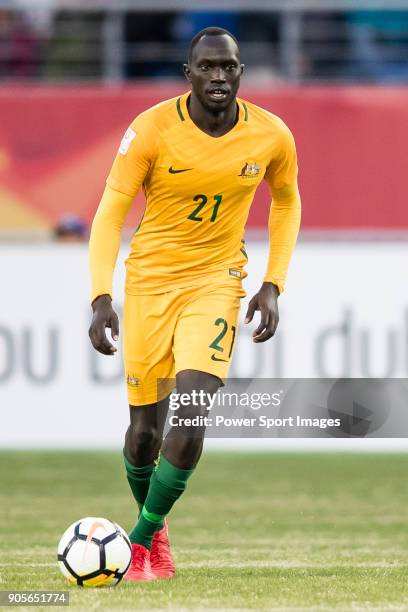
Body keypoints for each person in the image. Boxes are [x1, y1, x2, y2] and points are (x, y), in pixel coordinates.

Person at [88, 27, 301, 581]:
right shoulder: (151, 131)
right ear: (188, 74)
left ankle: (134, 544)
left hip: (217, 282)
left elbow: (286, 201)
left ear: (240, 72)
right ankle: (155, 533)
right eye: (207, 68)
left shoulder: (271, 135)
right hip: (151, 285)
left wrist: (273, 283)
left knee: (192, 407)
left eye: (228, 67)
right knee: (143, 436)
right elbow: (110, 213)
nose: (218, 77)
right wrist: (100, 297)